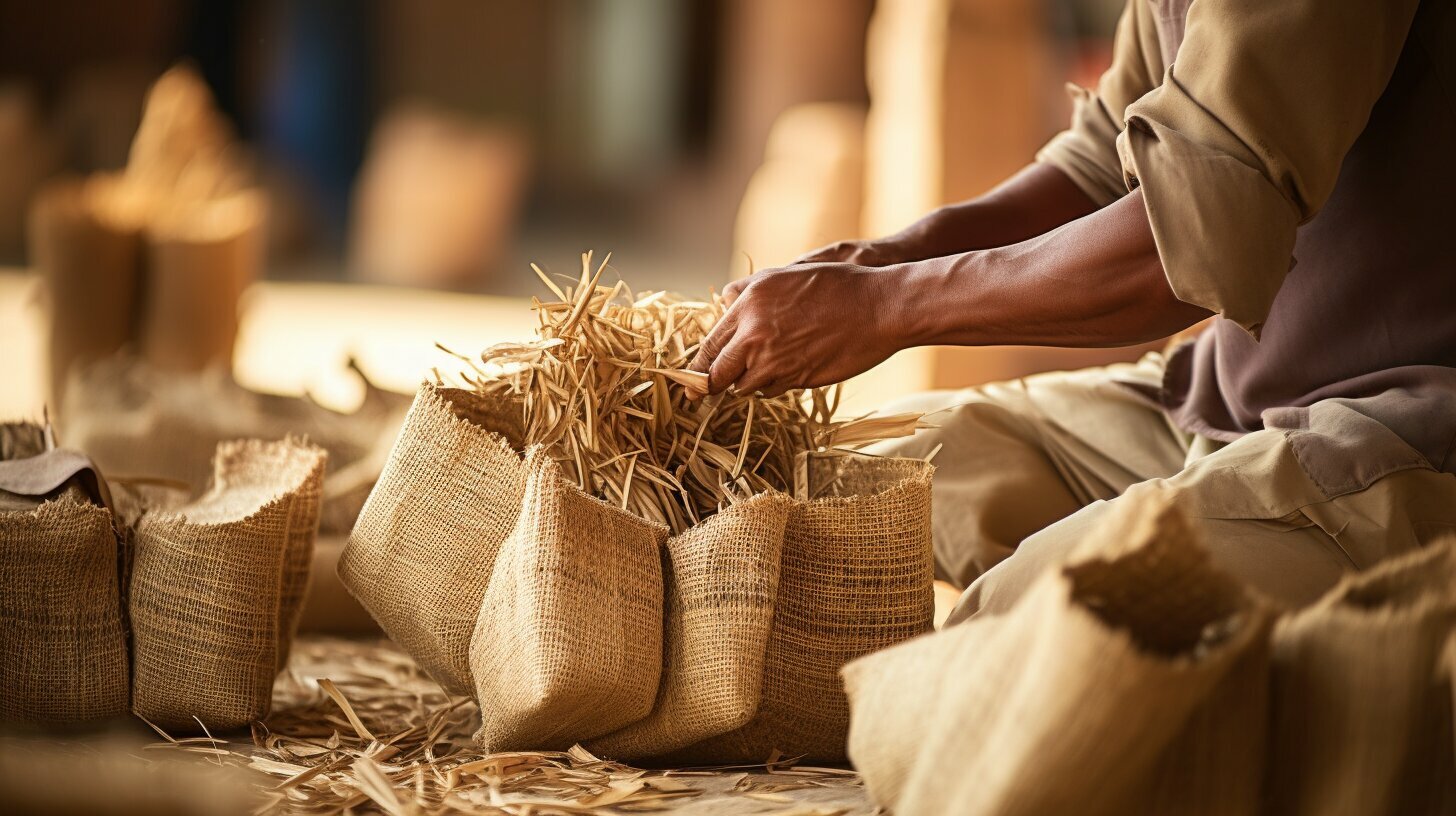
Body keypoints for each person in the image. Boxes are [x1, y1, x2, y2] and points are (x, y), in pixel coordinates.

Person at [688, 0, 1456, 624]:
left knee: (1020, 630)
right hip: (1224, 400)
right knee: (821, 498)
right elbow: (1101, 169)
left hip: (1402, 432)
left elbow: (1181, 246)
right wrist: (871, 263)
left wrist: (886, 306)